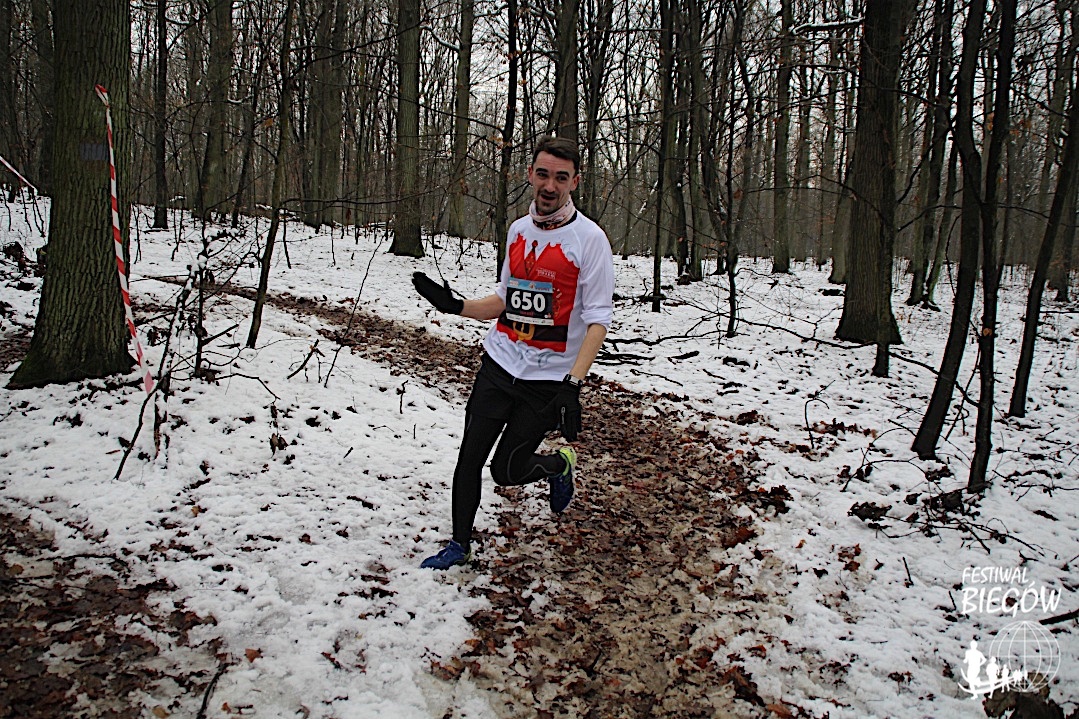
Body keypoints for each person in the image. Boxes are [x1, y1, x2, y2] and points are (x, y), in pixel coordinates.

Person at [412, 136, 615, 570]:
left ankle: (558, 465)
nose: (550, 186)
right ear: (530, 175)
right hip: (499, 363)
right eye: (543, 174)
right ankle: (459, 545)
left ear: (575, 182)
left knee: (506, 471)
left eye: (561, 178)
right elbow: (505, 300)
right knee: (469, 458)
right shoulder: (518, 231)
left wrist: (573, 385)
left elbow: (598, 319)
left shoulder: (590, 240)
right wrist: (455, 306)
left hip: (546, 381)